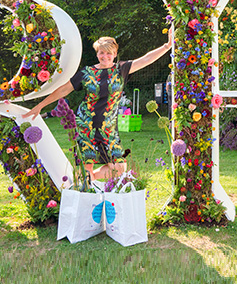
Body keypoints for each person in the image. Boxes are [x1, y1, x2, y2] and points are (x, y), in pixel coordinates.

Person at [23, 32, 172, 182]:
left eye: (109, 53)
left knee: (119, 167)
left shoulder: (121, 69)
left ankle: (89, 178)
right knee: (86, 165)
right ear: (97, 53)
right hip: (85, 125)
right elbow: (63, 89)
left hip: (108, 127)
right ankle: (85, 188)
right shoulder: (86, 73)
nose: (105, 56)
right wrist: (40, 106)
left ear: (115, 54)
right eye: (102, 53)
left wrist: (167, 46)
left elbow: (146, 59)